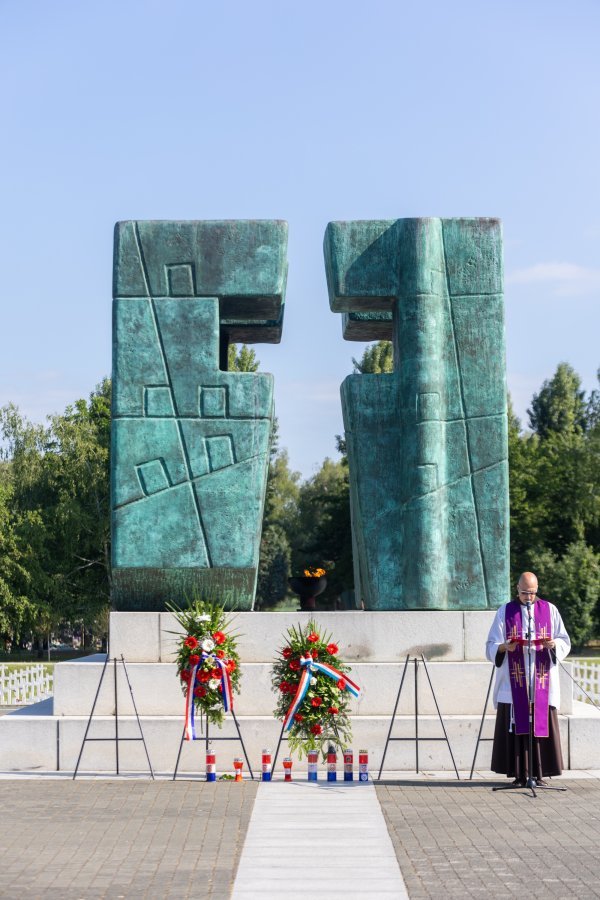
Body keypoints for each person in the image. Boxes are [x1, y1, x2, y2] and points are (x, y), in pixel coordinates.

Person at [485, 571, 571, 786]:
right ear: (517, 589)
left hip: (541, 679)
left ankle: (539, 773)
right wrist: (504, 647)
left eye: (532, 593)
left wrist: (554, 644)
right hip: (514, 680)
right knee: (517, 724)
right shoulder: (505, 611)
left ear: (537, 589)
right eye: (524, 593)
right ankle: (519, 774)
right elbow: (491, 644)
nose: (529, 597)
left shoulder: (550, 610)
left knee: (540, 723)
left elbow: (564, 639)